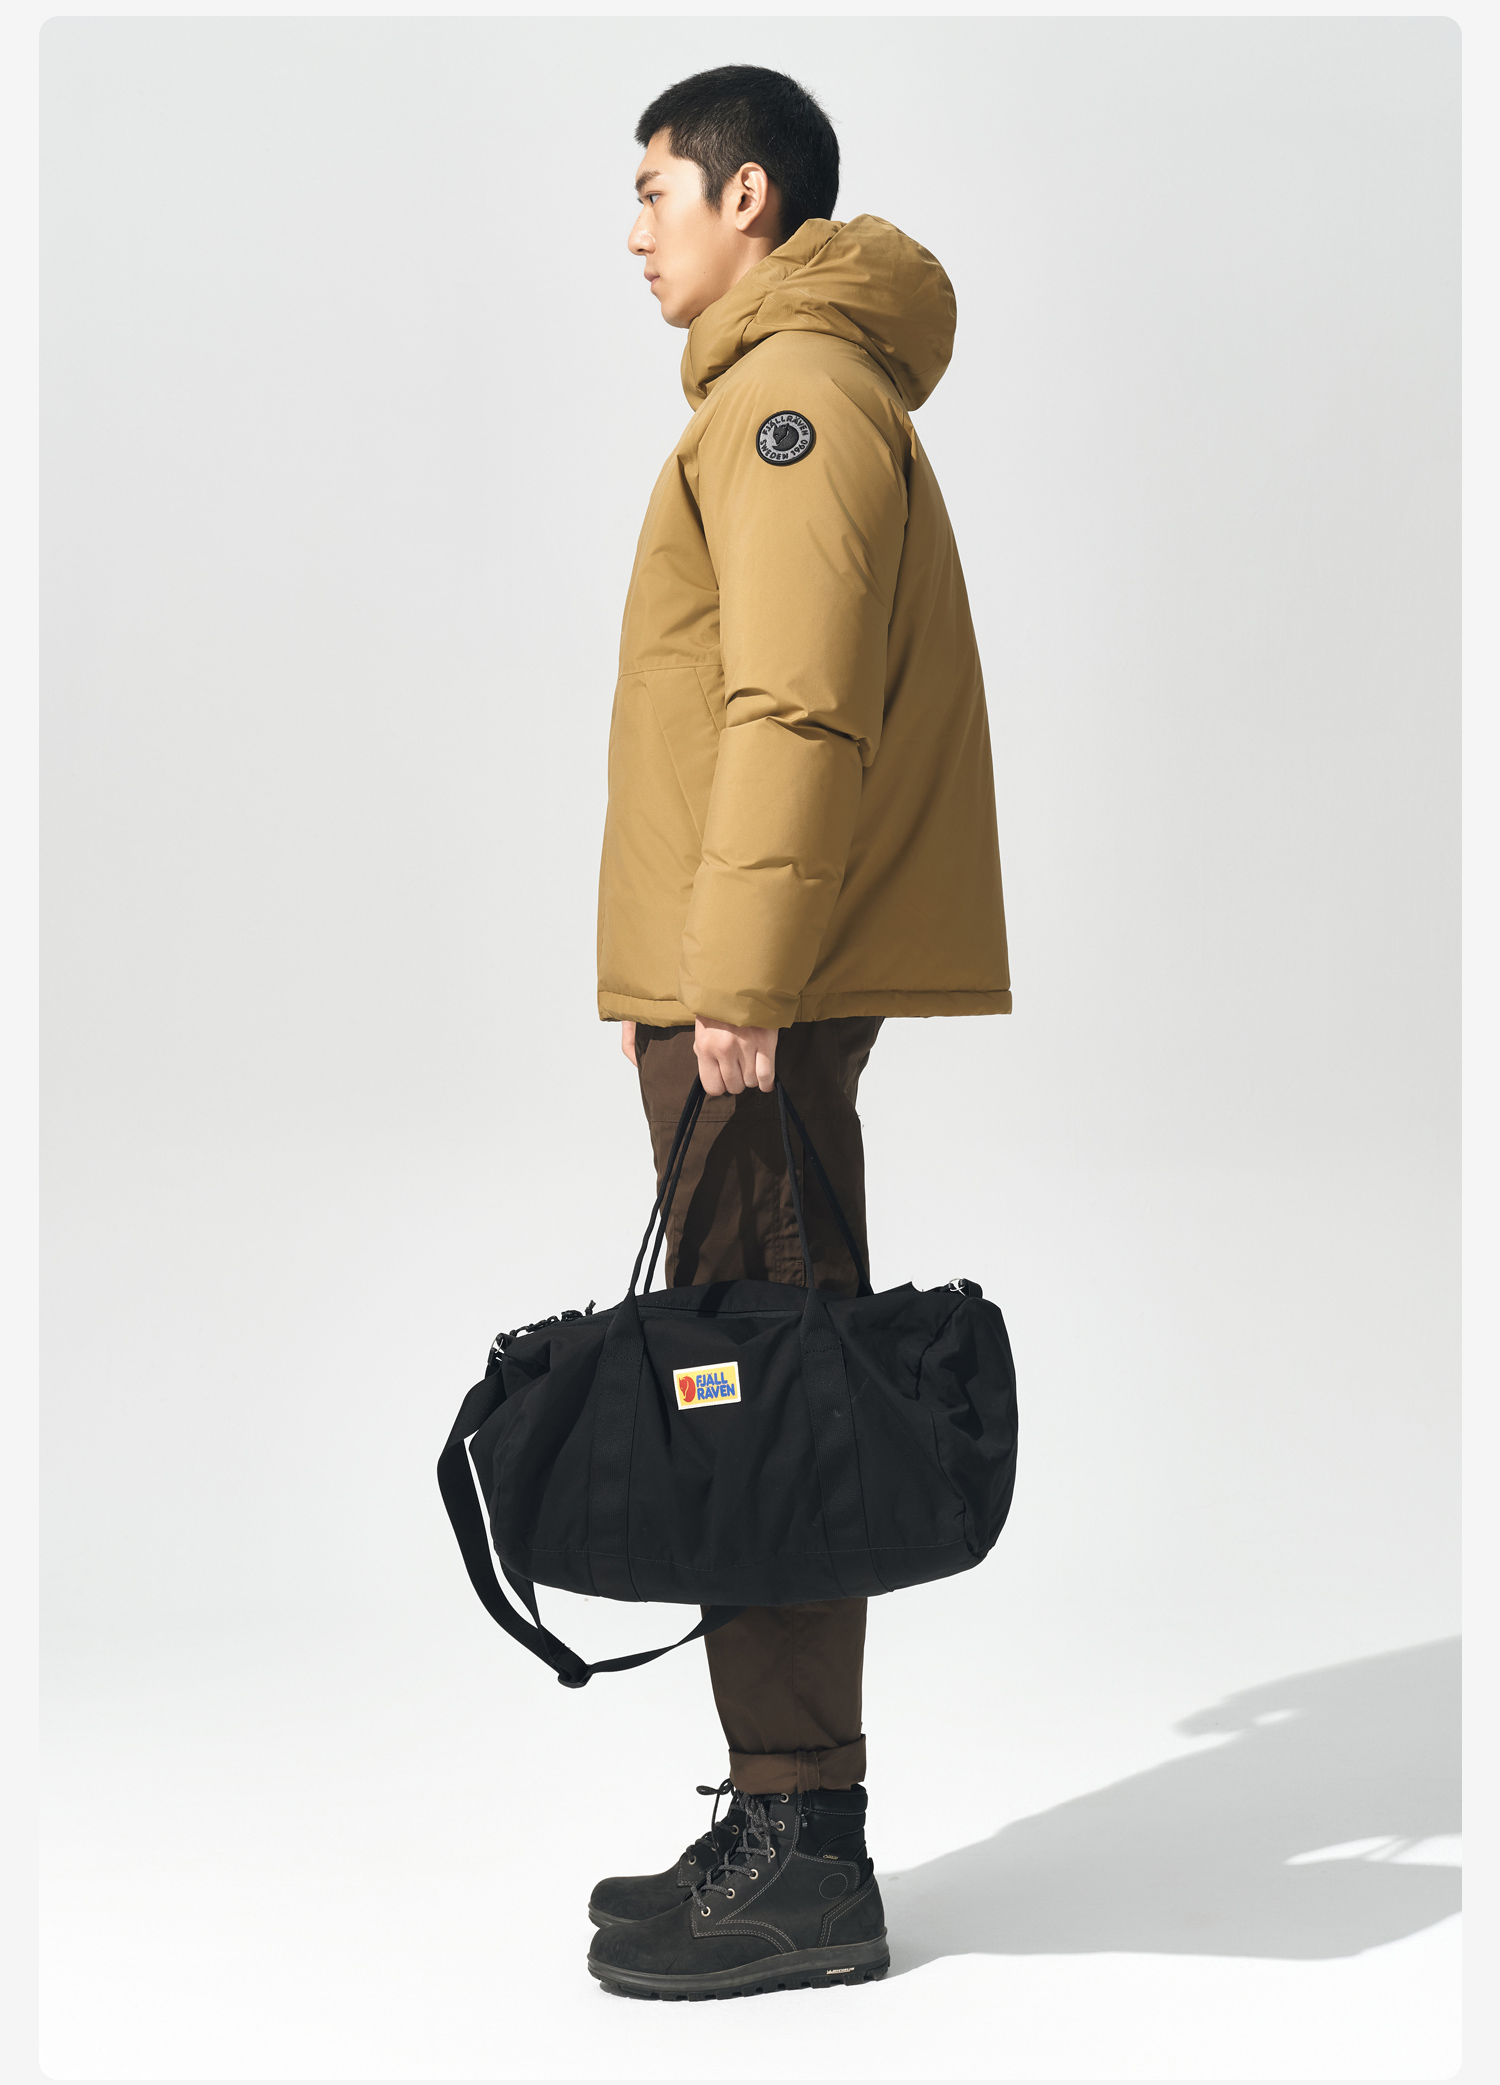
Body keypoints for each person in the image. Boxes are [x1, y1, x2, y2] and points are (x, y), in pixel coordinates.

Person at [585, 64, 1010, 1999]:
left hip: (755, 998)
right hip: (725, 993)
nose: (636, 229)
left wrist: (736, 974)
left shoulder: (794, 400)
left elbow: (798, 702)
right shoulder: (792, 390)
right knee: (747, 1368)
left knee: (757, 1381)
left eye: (656, 188)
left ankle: (803, 1849)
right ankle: (781, 1810)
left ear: (748, 196)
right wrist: (670, 981)